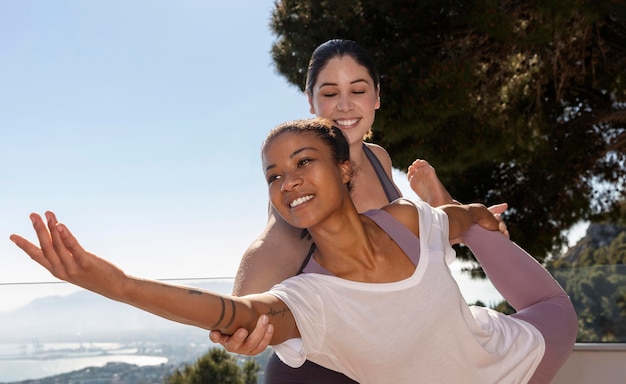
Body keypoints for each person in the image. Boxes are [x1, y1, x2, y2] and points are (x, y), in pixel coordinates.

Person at [11, 118, 577, 384]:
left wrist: (469, 216)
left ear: (345, 168)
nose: (288, 180)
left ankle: (471, 211)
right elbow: (233, 313)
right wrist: (117, 285)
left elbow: (444, 222)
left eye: (304, 161)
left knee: (546, 298)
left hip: (521, 355)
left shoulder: (406, 218)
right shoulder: (309, 300)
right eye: (273, 174)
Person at [211, 39, 509, 383]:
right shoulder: (305, 186)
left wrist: (443, 198)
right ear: (311, 101)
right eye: (329, 93)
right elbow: (274, 243)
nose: (345, 105)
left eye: (358, 89)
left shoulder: (378, 158)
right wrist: (239, 319)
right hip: (323, 372)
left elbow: (421, 241)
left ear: (376, 96)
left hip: (395, 363)